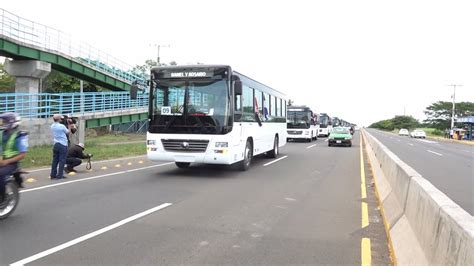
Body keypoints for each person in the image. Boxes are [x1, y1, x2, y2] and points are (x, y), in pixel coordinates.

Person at [0, 113, 28, 206]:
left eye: (4, 121)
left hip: (12, 163)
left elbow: (23, 154)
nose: (2, 123)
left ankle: (2, 199)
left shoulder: (20, 136)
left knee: (1, 174)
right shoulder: (2, 133)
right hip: (1, 159)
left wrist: (7, 161)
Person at [50, 114, 73, 180]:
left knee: (55, 161)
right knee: (62, 160)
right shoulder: (62, 126)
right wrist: (69, 125)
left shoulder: (52, 126)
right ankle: (60, 175)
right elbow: (68, 132)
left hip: (56, 144)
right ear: (59, 119)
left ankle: (53, 175)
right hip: (63, 144)